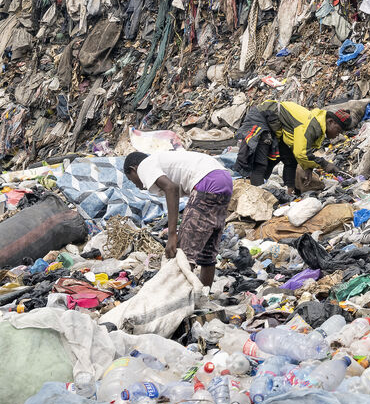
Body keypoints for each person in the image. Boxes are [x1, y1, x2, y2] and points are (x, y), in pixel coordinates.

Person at [123, 150, 232, 288]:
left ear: (133, 169)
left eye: (130, 179)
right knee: (207, 253)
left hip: (207, 181)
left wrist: (172, 234)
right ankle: (204, 296)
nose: (135, 185)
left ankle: (176, 296)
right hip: (225, 180)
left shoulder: (144, 165)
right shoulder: (161, 160)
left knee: (183, 254)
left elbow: (171, 188)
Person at [233, 101, 353, 192]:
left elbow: (299, 151)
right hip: (262, 117)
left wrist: (308, 167)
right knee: (260, 164)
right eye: (338, 130)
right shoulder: (312, 125)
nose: (338, 135)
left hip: (277, 127)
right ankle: (257, 199)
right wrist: (325, 164)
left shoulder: (318, 127)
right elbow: (301, 153)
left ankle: (289, 193)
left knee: (290, 160)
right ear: (330, 122)